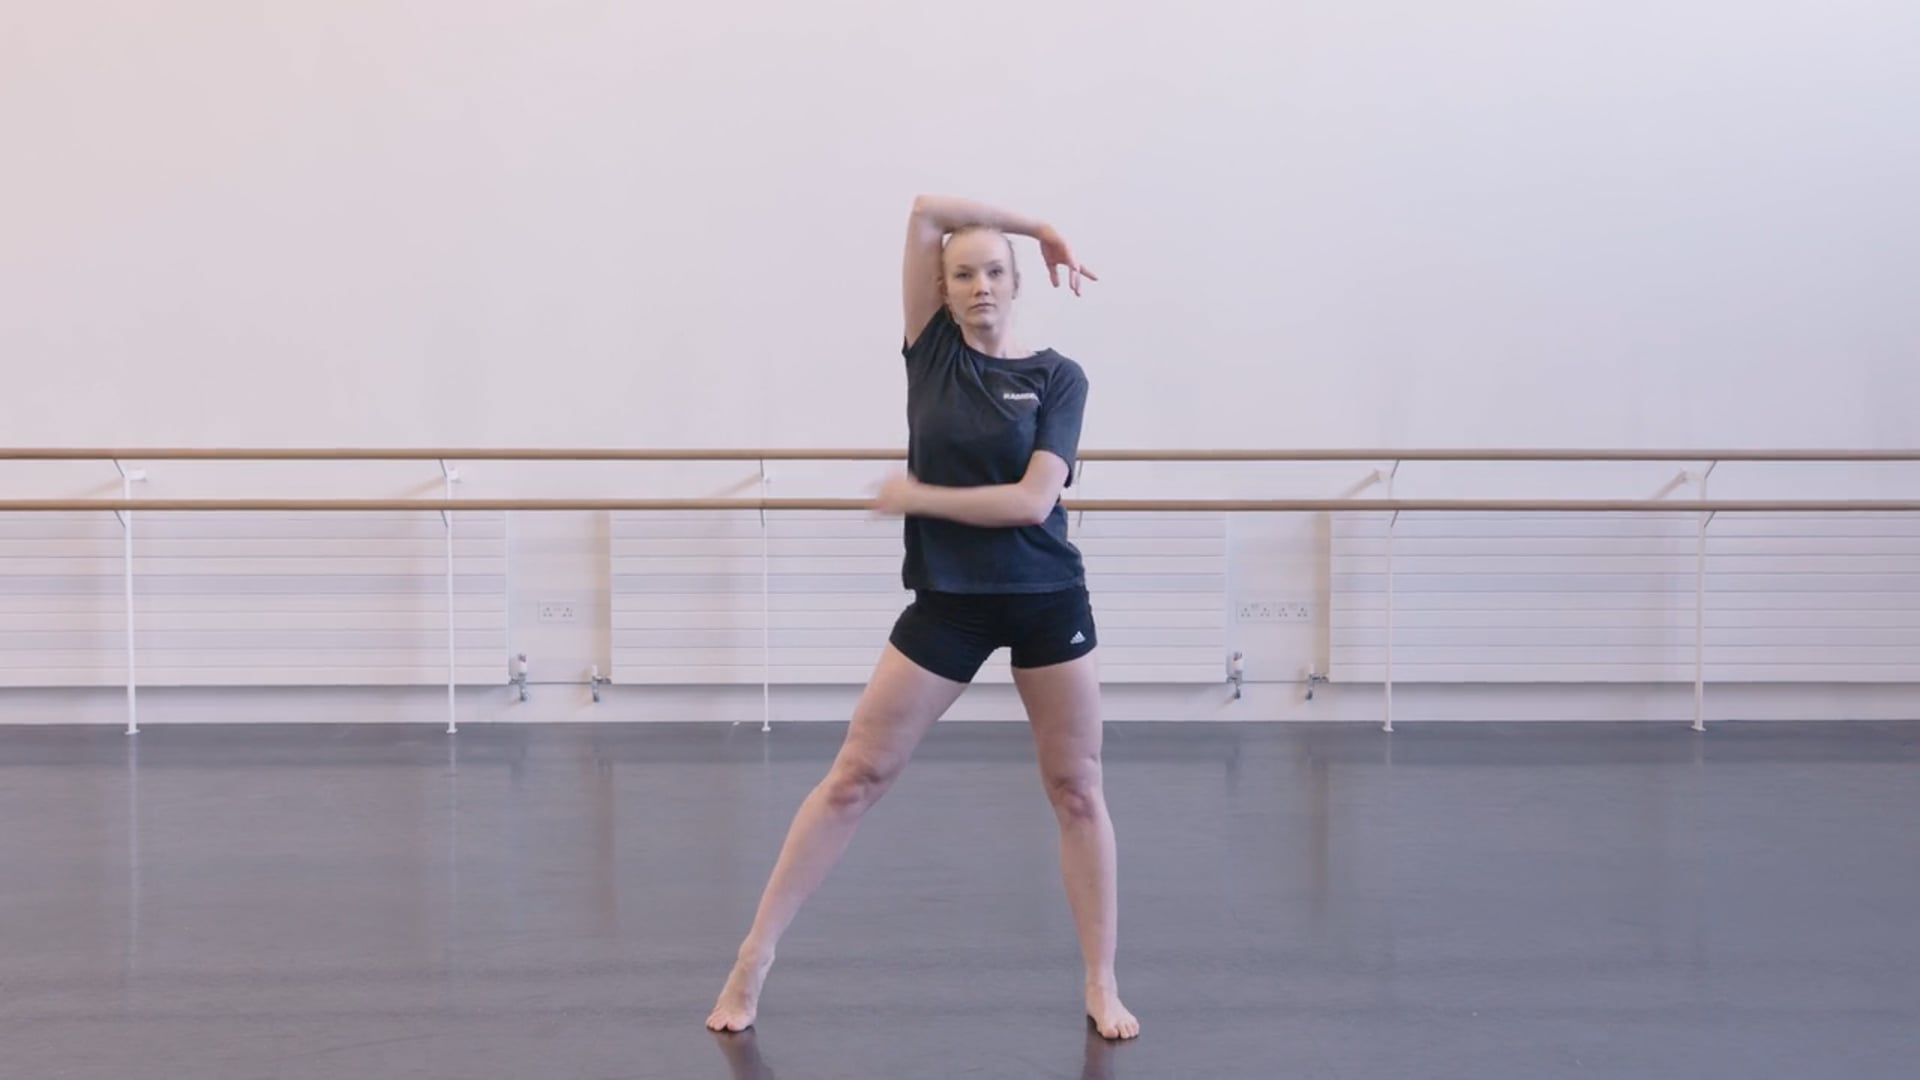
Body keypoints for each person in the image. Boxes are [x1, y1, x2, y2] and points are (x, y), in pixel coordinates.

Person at [705, 193, 1138, 1041]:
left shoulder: (1058, 377)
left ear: (1018, 286)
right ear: (941, 290)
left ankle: (1101, 978)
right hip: (948, 603)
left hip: (1047, 596)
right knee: (855, 777)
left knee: (1077, 789)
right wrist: (1037, 224)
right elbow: (926, 207)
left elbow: (1032, 501)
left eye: (995, 272)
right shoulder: (930, 351)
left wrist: (918, 496)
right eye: (964, 273)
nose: (980, 285)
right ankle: (754, 955)